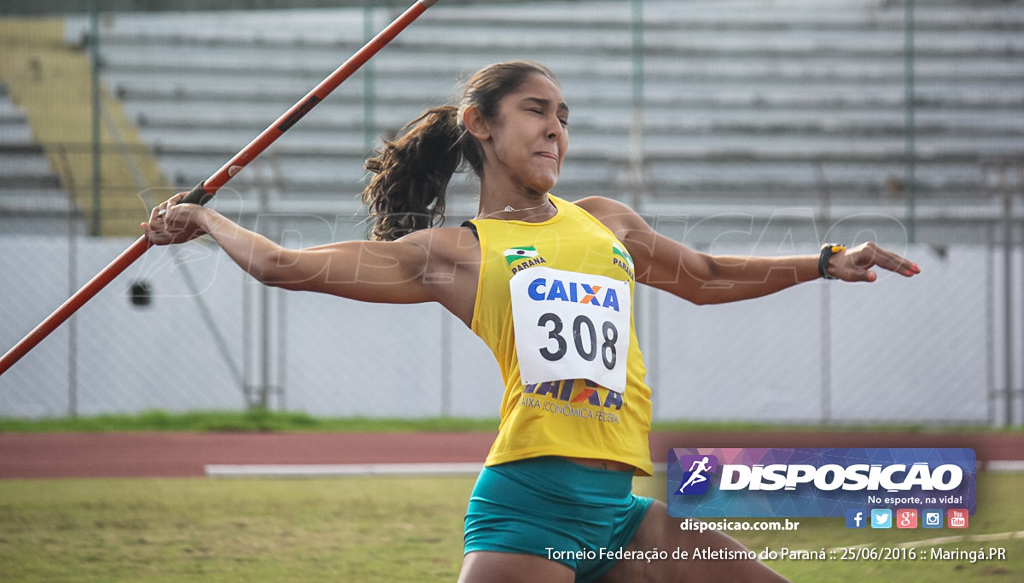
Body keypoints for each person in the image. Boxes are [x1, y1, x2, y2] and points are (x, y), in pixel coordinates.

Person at [143, 60, 920, 582]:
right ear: (480, 125)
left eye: (565, 116)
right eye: (536, 111)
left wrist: (824, 261)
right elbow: (284, 266)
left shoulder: (605, 222)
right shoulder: (454, 252)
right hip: (529, 507)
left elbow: (708, 277)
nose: (557, 128)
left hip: (621, 509)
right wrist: (205, 222)